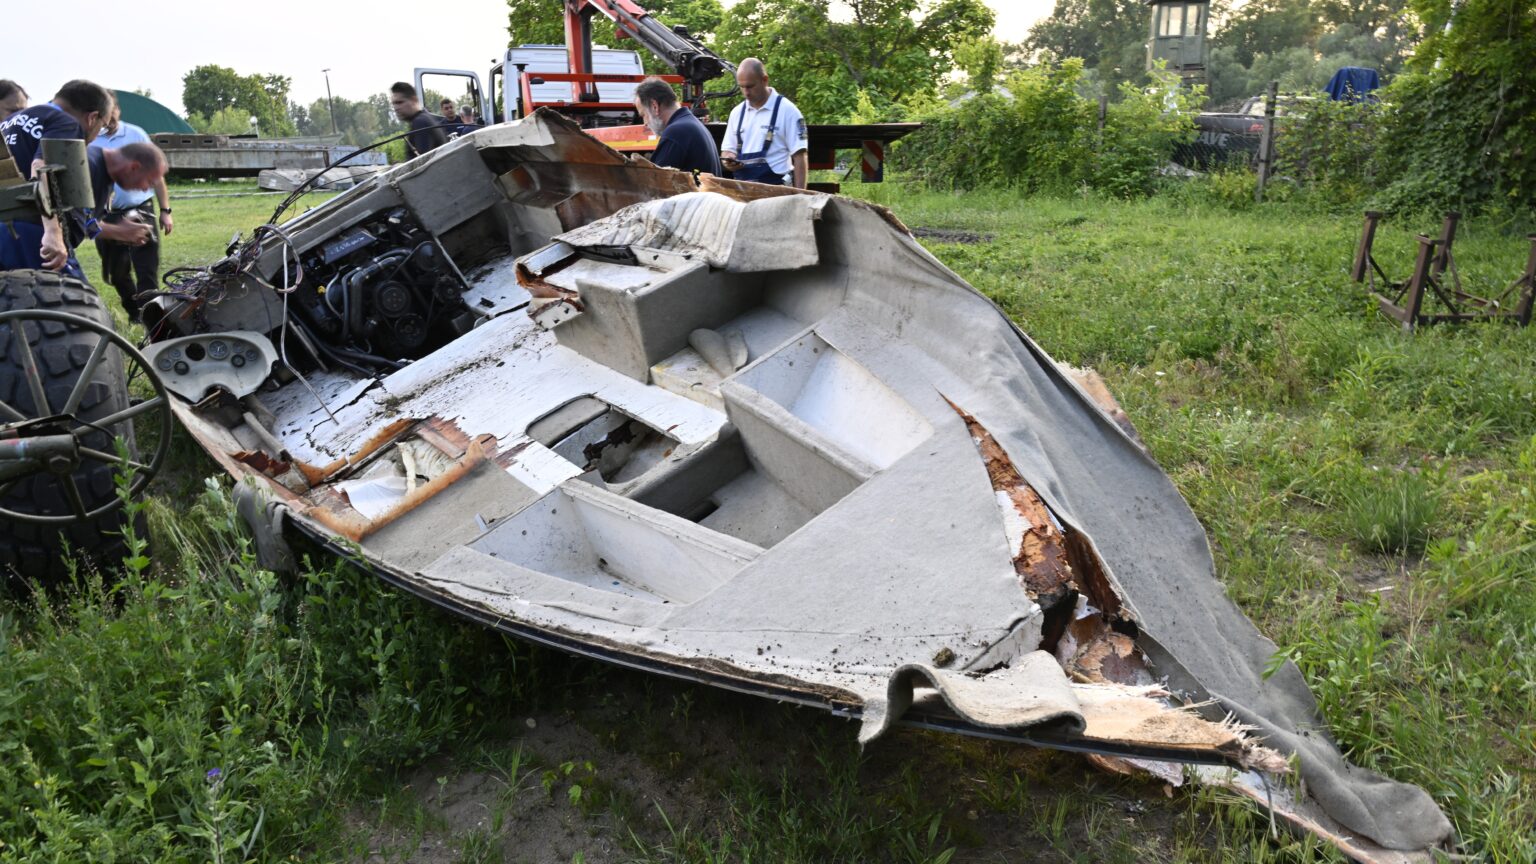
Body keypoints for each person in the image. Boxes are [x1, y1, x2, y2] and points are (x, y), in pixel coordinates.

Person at [0, 79, 116, 276]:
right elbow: (41, 167)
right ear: (93, 118)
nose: (98, 134)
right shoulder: (66, 123)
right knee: (76, 301)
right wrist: (53, 232)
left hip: (4, 226)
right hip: (31, 229)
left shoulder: (11, 121)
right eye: (103, 126)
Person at [90, 101, 174, 319]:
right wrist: (117, 231)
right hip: (106, 214)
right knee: (116, 272)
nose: (147, 186)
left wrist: (166, 210)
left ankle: (152, 316)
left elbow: (156, 173)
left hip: (140, 209)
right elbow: (75, 223)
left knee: (146, 268)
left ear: (118, 109)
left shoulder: (136, 134)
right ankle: (134, 312)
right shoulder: (90, 149)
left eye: (113, 114)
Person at [720, 58, 808, 188]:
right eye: (742, 87)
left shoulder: (788, 111)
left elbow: (800, 158)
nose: (746, 92)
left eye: (750, 86)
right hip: (743, 193)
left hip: (777, 193)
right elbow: (727, 150)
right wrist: (729, 160)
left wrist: (801, 197)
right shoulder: (737, 113)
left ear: (764, 80)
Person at [633, 77, 721, 177]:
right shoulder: (692, 124)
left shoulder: (676, 132)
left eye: (643, 115)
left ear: (655, 106)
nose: (645, 123)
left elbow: (656, 182)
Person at [390, 82, 448, 159]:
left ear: (414, 100)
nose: (396, 108)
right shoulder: (424, 118)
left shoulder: (420, 122)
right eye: (394, 104)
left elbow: (422, 164)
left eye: (400, 102)